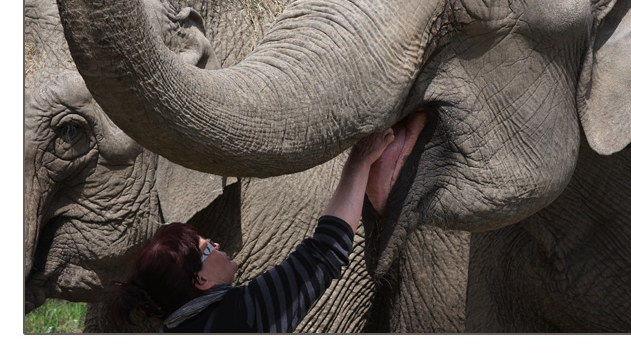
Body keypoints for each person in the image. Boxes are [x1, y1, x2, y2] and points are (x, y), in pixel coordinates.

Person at [110, 112, 426, 333]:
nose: (218, 246)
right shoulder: (238, 317)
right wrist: (360, 160)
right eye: (208, 249)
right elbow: (324, 253)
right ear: (200, 281)